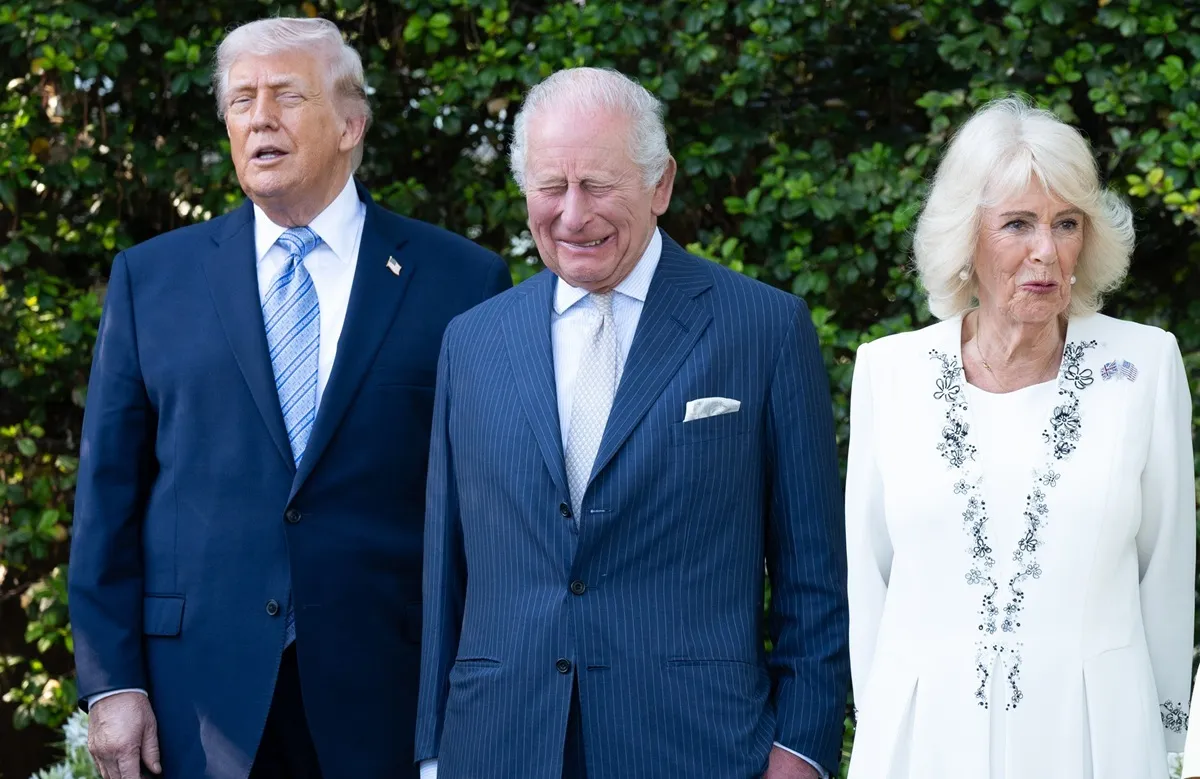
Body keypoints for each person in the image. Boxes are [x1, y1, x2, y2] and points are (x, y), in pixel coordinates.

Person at [67, 17, 511, 779]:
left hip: (387, 697)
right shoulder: (152, 280)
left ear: (350, 123)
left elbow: (491, 513)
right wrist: (114, 682)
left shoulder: (461, 282)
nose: (259, 118)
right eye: (241, 101)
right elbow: (108, 494)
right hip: (196, 705)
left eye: (285, 96)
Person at [414, 67, 849, 779]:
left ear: (661, 184)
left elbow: (813, 577)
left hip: (698, 748)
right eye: (552, 187)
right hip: (498, 746)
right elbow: (446, 570)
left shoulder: (763, 328)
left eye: (599, 185)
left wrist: (801, 748)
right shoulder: (472, 340)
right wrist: (434, 751)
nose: (573, 214)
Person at [845, 96, 1195, 778]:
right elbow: (869, 587)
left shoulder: (1145, 366)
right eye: (1017, 224)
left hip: (1100, 742)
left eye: (1066, 223)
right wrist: (884, 729)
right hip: (924, 743)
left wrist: (1170, 745)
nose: (1045, 250)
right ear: (965, 238)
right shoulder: (888, 372)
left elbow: (1167, 577)